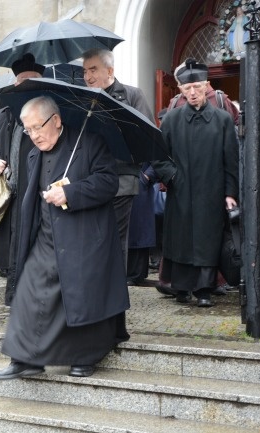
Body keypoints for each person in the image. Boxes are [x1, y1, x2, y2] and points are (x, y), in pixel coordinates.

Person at [0, 96, 130, 380]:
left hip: (84, 237)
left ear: (56, 120)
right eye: (27, 130)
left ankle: (85, 356)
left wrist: (71, 192)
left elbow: (109, 182)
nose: (33, 135)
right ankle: (25, 357)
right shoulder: (34, 153)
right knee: (30, 293)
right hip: (46, 236)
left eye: (37, 128)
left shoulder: (90, 143)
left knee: (81, 297)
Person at [152, 59, 239, 308]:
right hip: (180, 192)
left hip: (211, 191)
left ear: (207, 86)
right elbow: (159, 155)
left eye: (197, 87)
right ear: (180, 89)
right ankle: (181, 288)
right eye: (187, 88)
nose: (192, 93)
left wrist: (230, 193)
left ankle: (204, 289)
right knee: (180, 240)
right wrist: (172, 176)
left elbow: (231, 161)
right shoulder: (171, 120)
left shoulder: (222, 120)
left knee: (206, 240)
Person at [82, 48, 156, 268]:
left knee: (114, 238)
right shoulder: (83, 99)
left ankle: (113, 293)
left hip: (121, 179)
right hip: (90, 179)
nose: (88, 77)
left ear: (110, 70)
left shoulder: (132, 95)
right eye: (85, 71)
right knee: (93, 237)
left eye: (93, 69)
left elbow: (146, 136)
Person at [0, 53, 44, 304]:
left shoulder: (48, 110)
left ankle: (33, 294)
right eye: (22, 80)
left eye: (32, 80)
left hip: (38, 190)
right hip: (11, 192)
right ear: (15, 82)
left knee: (35, 244)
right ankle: (14, 294)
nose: (26, 84)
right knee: (13, 249)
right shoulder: (4, 113)